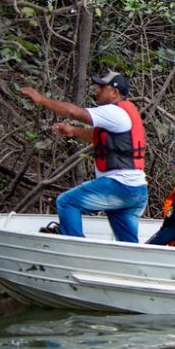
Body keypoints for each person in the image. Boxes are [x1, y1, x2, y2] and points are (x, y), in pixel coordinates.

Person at [20, 71, 148, 242]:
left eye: (102, 87)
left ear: (114, 92)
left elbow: (73, 112)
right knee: (128, 244)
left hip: (119, 185)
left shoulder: (114, 111)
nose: (97, 90)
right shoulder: (124, 114)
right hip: (137, 190)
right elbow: (99, 137)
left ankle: (75, 251)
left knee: (67, 202)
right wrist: (73, 131)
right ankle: (133, 266)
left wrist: (42, 100)